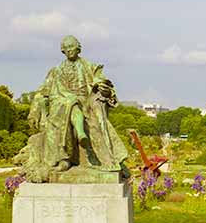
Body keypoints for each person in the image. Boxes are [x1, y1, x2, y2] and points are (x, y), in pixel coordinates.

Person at [16, 35, 129, 181]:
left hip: (85, 102)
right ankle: (69, 150)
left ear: (78, 48)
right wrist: (36, 107)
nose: (69, 50)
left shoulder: (91, 67)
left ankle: (68, 156)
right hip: (61, 103)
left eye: (72, 47)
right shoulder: (56, 71)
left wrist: (102, 87)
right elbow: (43, 91)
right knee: (68, 104)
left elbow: (105, 85)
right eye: (66, 48)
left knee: (72, 103)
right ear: (63, 51)